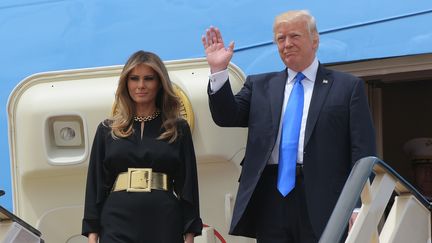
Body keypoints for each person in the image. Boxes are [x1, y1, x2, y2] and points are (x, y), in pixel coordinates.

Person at [202, 10, 376, 242]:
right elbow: (226, 116)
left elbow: (362, 152)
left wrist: (357, 205)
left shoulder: (347, 87)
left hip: (325, 199)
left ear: (315, 40)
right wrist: (218, 71)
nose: (287, 44)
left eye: (294, 36)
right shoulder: (260, 85)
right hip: (270, 199)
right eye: (280, 39)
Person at [82, 50, 202, 243]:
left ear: (160, 83)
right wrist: (92, 235)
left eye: (149, 78)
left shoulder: (177, 128)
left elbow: (188, 186)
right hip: (116, 221)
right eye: (134, 78)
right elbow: (95, 187)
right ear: (125, 83)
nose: (140, 85)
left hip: (164, 221)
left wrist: (189, 235)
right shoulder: (107, 129)